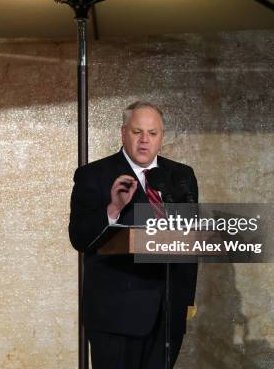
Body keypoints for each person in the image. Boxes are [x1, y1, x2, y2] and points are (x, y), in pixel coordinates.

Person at [68, 101, 198, 369]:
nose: (144, 140)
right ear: (123, 133)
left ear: (162, 137)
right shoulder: (94, 175)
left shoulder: (181, 176)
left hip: (167, 317)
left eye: (152, 133)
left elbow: (190, 243)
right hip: (116, 316)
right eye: (137, 132)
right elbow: (79, 238)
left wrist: (186, 301)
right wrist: (113, 209)